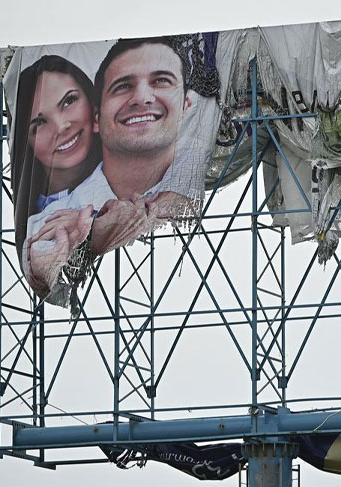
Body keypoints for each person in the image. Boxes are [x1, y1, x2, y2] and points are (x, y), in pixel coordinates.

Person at [27, 37, 213, 297]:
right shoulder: (53, 219)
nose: (142, 98)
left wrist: (111, 223)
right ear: (96, 117)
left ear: (186, 105)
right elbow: (36, 261)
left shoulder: (194, 194)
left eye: (161, 81)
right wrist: (51, 264)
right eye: (123, 86)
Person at [10, 55, 101, 296]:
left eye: (69, 101)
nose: (61, 126)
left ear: (94, 110)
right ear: (27, 142)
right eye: (39, 122)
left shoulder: (123, 185)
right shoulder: (33, 222)